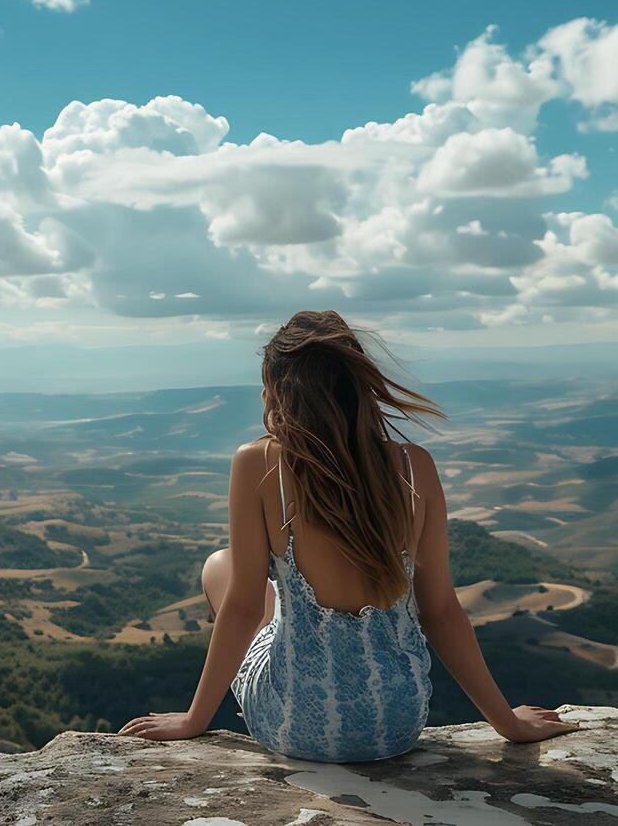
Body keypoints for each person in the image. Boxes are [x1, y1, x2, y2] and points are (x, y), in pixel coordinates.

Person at [119, 310, 576, 761]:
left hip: (293, 723)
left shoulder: (258, 464)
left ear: (280, 391)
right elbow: (440, 612)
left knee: (220, 565)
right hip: (395, 726)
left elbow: (240, 608)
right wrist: (509, 725)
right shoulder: (416, 467)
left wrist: (194, 721)